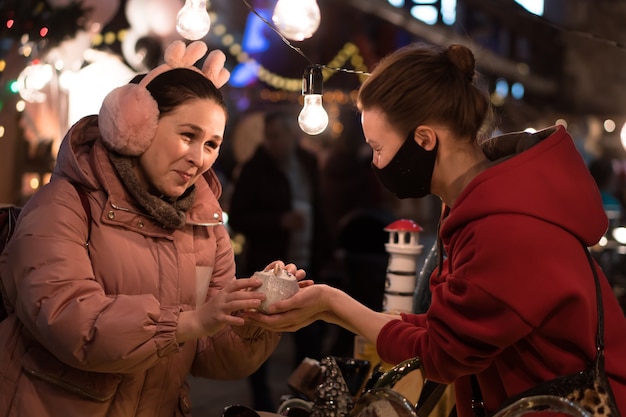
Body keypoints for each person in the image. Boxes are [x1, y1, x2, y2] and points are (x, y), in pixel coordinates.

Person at [244, 42, 626, 415]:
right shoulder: (483, 205)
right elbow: (450, 326)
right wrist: (327, 308)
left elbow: (442, 354)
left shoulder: (505, 224)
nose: (376, 164)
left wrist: (331, 303)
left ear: (424, 139)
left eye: (378, 148)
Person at [0, 40, 304, 417]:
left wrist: (258, 317)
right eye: (188, 135)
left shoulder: (205, 226)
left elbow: (210, 355)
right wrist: (188, 321)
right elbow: (70, 322)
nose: (199, 158)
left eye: (212, 144)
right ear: (136, 127)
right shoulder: (63, 204)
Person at [228, 109, 331, 411]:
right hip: (266, 272)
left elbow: (320, 208)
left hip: (305, 264)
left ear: (293, 135)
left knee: (309, 340)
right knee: (259, 338)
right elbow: (240, 218)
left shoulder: (308, 163)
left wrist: (327, 252)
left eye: (278, 136)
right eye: (268, 136)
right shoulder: (254, 168)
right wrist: (279, 221)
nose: (272, 142)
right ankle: (260, 403)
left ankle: (301, 402)